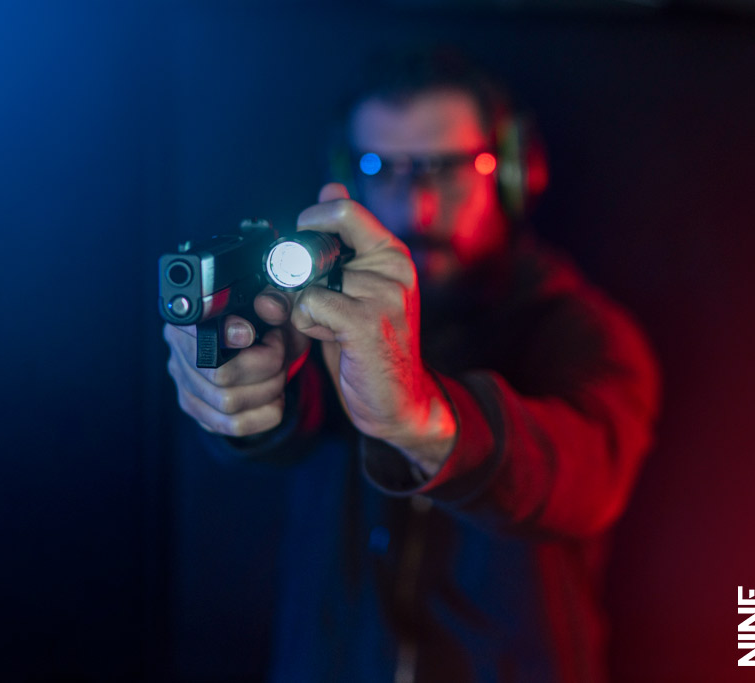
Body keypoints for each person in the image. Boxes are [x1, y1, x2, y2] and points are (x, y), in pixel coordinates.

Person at [163, 51, 659, 682]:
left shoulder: (587, 334)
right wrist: (250, 394)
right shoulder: (319, 312)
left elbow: (582, 478)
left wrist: (420, 421)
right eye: (382, 169)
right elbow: (294, 417)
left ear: (510, 174)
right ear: (349, 175)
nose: (417, 207)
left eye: (449, 169)